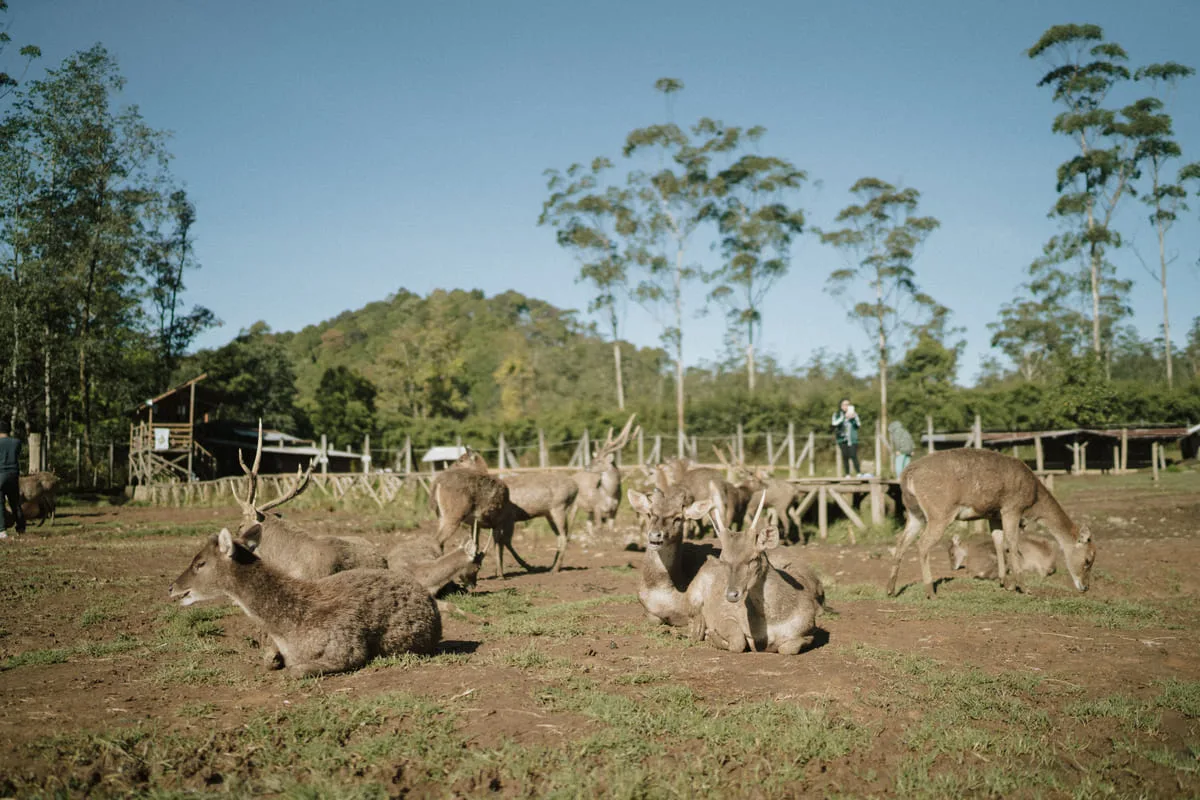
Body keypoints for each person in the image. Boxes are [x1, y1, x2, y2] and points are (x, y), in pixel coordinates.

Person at [0, 420, 25, 539]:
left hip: (0, 475)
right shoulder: (17, 442)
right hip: (14, 474)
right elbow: (18, 454)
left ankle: (2, 530)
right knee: (15, 503)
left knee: (0, 504)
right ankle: (21, 527)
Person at [831, 399, 861, 477]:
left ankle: (858, 473)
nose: (846, 406)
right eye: (844, 404)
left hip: (852, 439)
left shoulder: (854, 414)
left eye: (848, 404)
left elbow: (858, 425)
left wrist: (853, 418)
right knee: (845, 456)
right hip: (842, 439)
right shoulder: (837, 414)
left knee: (853, 455)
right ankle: (847, 474)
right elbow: (834, 423)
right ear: (841, 406)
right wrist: (844, 417)